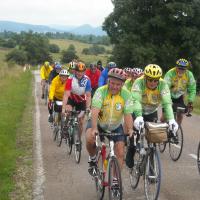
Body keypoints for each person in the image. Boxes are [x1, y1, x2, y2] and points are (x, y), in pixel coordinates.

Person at [125, 64, 179, 169]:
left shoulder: (163, 84)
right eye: (150, 80)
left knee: (153, 138)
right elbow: (135, 100)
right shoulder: (138, 82)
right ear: (145, 77)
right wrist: (139, 116)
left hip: (151, 111)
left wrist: (172, 119)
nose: (153, 83)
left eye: (155, 80)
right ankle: (131, 151)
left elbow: (167, 103)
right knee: (134, 133)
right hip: (137, 110)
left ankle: (151, 166)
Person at [86, 68, 134, 176]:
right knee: (89, 138)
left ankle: (115, 180)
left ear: (122, 84)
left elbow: (127, 114)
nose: (114, 86)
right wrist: (94, 128)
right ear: (108, 81)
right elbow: (95, 111)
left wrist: (130, 129)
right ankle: (93, 159)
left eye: (118, 84)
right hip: (98, 122)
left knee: (120, 153)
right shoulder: (101, 91)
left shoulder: (126, 94)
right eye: (112, 83)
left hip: (115, 126)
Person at [162, 58, 196, 125]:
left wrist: (190, 101)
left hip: (179, 96)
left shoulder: (189, 75)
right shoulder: (170, 73)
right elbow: (165, 88)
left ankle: (176, 130)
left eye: (183, 69)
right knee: (164, 117)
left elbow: (192, 89)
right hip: (168, 95)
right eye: (179, 68)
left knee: (180, 114)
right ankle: (164, 129)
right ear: (176, 67)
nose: (181, 70)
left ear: (186, 69)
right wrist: (168, 100)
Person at [62, 62, 91, 135]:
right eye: (78, 71)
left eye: (82, 71)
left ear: (84, 72)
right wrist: (63, 108)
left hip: (81, 101)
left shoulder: (87, 80)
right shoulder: (70, 79)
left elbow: (88, 95)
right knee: (68, 110)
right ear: (75, 71)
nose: (79, 73)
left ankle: (78, 140)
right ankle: (65, 126)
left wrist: (88, 107)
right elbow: (66, 94)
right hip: (71, 99)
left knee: (81, 121)